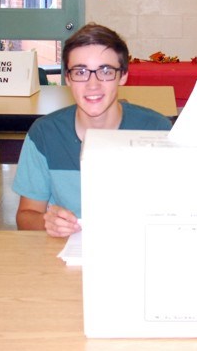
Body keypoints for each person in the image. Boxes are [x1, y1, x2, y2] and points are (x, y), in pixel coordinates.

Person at [14, 23, 172, 237]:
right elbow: (26, 214)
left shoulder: (157, 130)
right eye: (80, 72)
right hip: (67, 253)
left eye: (105, 71)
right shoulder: (44, 134)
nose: (93, 84)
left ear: (123, 75)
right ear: (68, 78)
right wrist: (47, 222)